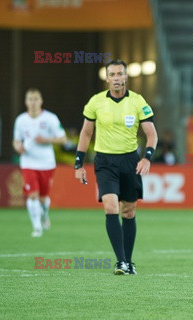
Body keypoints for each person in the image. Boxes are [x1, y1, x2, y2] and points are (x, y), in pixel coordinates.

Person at [74, 59, 158, 275]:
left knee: (128, 211)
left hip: (130, 161)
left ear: (126, 77)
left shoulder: (138, 101)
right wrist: (78, 163)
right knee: (111, 207)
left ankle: (128, 262)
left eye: (120, 74)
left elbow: (151, 134)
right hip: (105, 161)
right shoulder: (96, 102)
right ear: (107, 78)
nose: (117, 78)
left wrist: (147, 158)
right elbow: (86, 133)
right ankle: (120, 261)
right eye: (112, 74)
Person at [13, 88, 67, 237]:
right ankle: (37, 228)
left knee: (43, 199)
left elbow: (62, 138)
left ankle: (44, 215)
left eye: (36, 99)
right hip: (28, 162)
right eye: (30, 99)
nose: (33, 102)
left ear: (41, 101)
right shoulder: (21, 120)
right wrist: (18, 147)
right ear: (26, 102)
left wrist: (46, 140)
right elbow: (16, 140)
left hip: (46, 163)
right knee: (32, 195)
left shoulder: (50, 118)